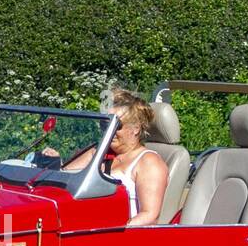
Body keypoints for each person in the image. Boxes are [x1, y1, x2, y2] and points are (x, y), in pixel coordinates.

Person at [61, 90, 169, 226]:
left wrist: (112, 230)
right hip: (85, 225)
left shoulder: (149, 162)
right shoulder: (97, 152)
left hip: (122, 237)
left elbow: (150, 215)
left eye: (116, 126)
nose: (108, 131)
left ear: (135, 128)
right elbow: (64, 178)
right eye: (105, 124)